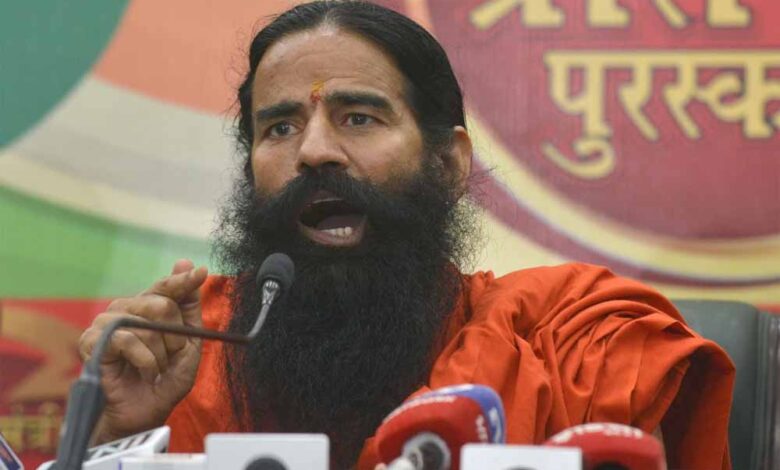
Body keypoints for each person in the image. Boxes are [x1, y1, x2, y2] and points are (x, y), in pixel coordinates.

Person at [78, 2, 735, 469]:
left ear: (447, 163)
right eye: (279, 128)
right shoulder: (193, 351)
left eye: (358, 118)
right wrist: (114, 437)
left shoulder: (572, 346)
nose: (314, 151)